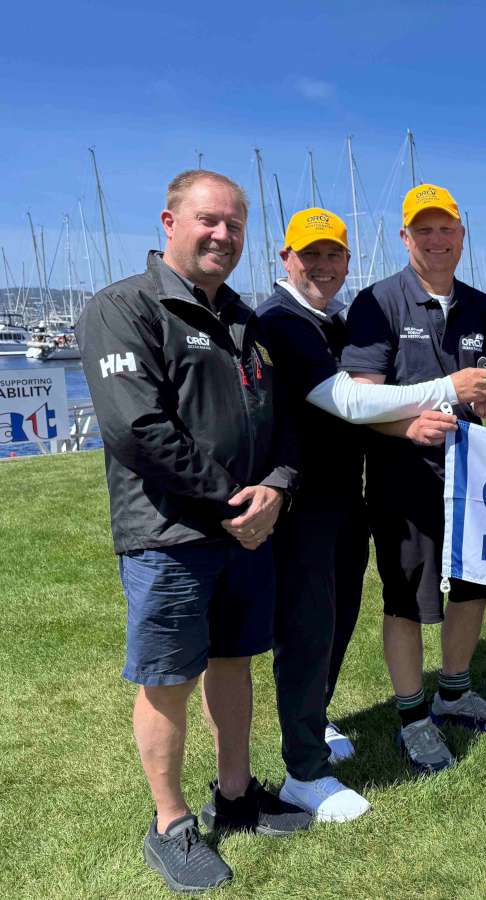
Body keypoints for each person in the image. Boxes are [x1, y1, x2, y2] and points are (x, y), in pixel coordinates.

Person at [77, 170, 309, 894]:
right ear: (170, 221)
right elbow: (137, 429)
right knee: (169, 679)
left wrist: (276, 487)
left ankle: (235, 796)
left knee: (236, 661)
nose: (223, 235)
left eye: (235, 225)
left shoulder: (248, 319)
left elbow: (285, 423)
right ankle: (171, 824)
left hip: (245, 531)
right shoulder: (124, 307)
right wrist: (232, 503)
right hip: (170, 536)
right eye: (208, 220)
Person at [256, 208, 486, 820]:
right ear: (285, 257)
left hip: (342, 497)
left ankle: (316, 724)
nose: (322, 266)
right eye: (309, 255)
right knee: (309, 631)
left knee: (333, 625)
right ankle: (303, 771)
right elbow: (348, 398)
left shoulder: (325, 318)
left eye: (333, 254)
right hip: (302, 500)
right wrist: (447, 389)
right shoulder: (282, 320)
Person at [341, 183, 486, 775]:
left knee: (471, 586)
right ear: (405, 237)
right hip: (403, 478)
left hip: (475, 478)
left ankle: (456, 692)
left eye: (447, 230)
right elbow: (360, 399)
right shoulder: (377, 302)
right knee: (407, 599)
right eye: (425, 230)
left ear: (462, 237)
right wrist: (404, 429)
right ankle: (414, 715)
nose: (437, 241)